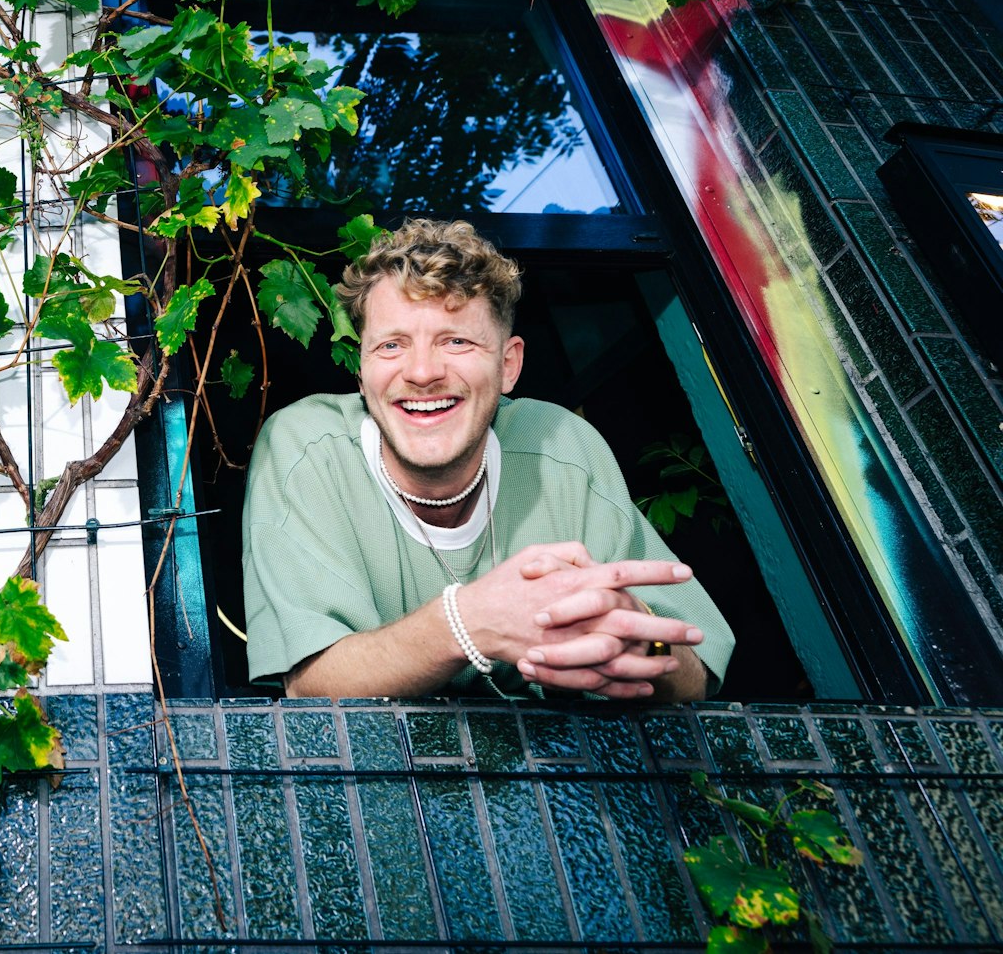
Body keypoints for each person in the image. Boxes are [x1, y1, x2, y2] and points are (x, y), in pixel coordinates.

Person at [241, 219, 734, 701]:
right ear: (363, 371)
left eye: (456, 341)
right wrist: (467, 623)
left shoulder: (562, 445)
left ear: (507, 365)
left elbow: (697, 674)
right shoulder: (308, 449)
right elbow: (308, 683)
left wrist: (635, 636)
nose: (422, 372)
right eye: (391, 345)